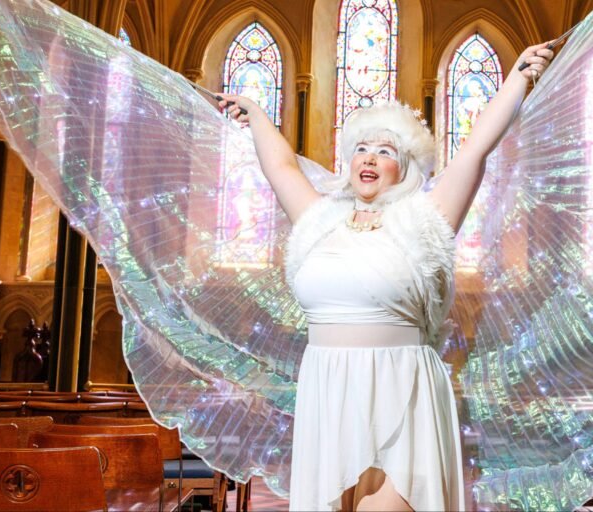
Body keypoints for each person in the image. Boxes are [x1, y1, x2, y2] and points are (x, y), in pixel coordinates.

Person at [217, 43, 555, 511]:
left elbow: (475, 150)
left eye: (384, 150)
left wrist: (518, 76)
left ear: (406, 166)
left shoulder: (426, 219)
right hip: (329, 394)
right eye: (361, 149)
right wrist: (256, 113)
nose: (369, 159)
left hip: (403, 391)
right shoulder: (319, 220)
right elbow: (281, 166)